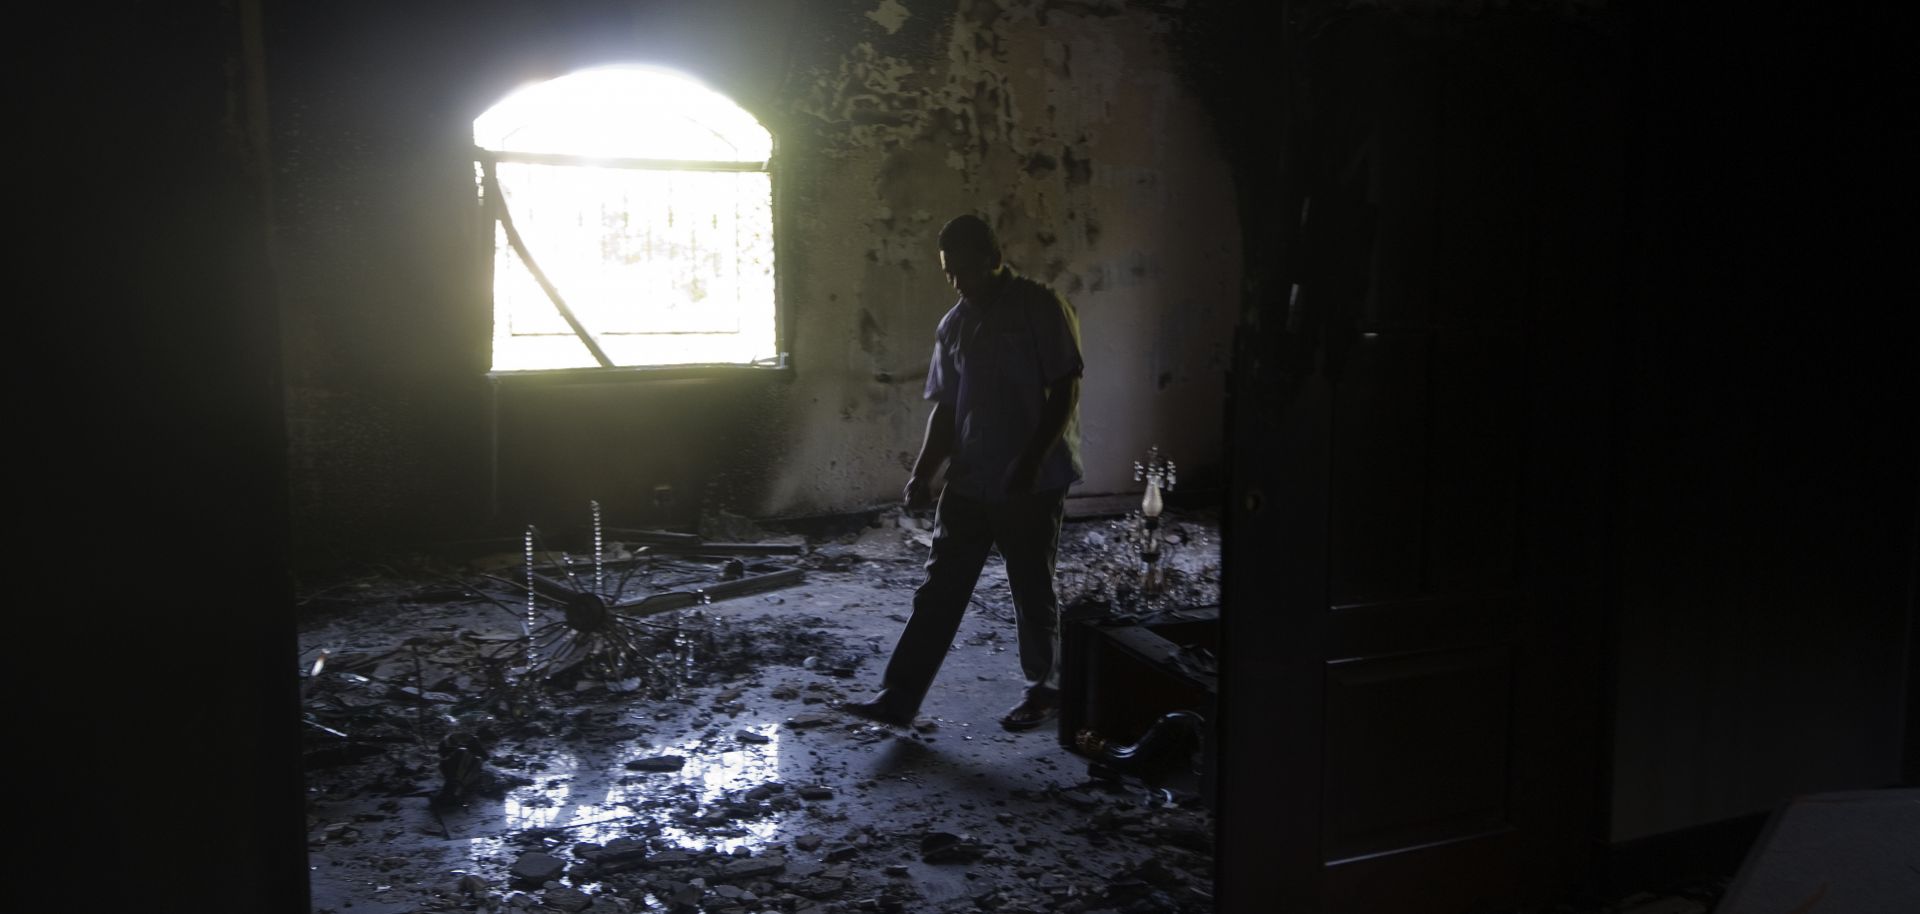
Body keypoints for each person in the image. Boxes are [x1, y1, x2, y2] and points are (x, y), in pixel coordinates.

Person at [840, 214, 1084, 732]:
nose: (954, 281)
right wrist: (923, 472)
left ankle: (1045, 689)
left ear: (992, 258)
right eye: (947, 272)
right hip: (971, 478)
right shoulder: (954, 324)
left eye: (962, 269)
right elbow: (947, 409)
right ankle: (899, 697)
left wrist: (1033, 457)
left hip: (1029, 482)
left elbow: (1065, 387)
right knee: (939, 589)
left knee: (1030, 587)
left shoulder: (1040, 307)